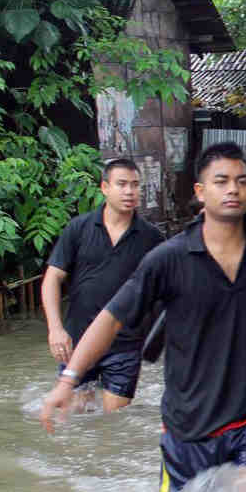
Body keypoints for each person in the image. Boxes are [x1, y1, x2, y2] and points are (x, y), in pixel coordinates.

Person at [39, 142, 246, 492]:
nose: (233, 190)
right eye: (221, 181)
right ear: (200, 191)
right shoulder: (168, 258)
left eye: (242, 182)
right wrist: (66, 382)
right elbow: (110, 319)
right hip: (188, 425)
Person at [41, 158, 164, 413]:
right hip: (78, 340)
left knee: (114, 421)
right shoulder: (79, 228)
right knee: (75, 419)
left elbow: (167, 290)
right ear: (104, 188)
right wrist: (55, 329)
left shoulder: (151, 237)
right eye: (122, 184)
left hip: (125, 344)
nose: (129, 191)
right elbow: (52, 278)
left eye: (135, 185)